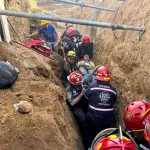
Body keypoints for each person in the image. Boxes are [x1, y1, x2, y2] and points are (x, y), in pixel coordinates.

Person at [82, 66, 117, 149]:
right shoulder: (113, 90)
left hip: (92, 120)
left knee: (85, 130)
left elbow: (86, 97)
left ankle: (88, 146)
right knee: (105, 135)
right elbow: (114, 101)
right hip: (107, 121)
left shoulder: (92, 86)